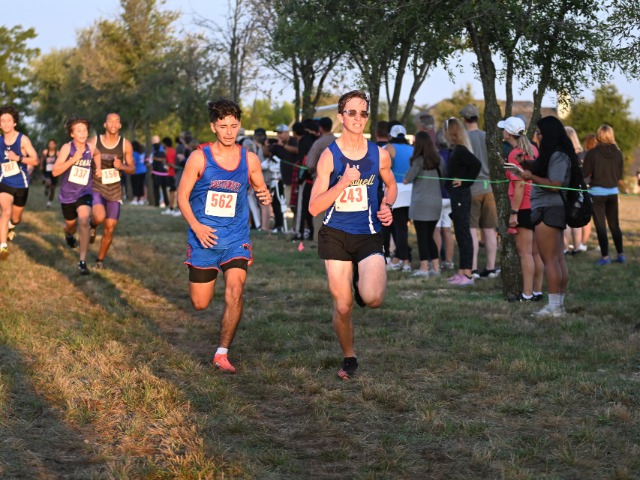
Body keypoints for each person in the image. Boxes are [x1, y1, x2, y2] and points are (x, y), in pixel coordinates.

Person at [177, 99, 272, 374]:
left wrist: (265, 196)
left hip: (235, 237)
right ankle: (210, 278)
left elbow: (260, 189)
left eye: (233, 125)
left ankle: (222, 353)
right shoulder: (199, 158)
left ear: (239, 125)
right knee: (200, 303)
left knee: (235, 290)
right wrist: (196, 226)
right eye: (223, 126)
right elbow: (182, 197)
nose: (229, 132)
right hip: (204, 238)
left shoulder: (249, 159)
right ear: (213, 127)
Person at [309, 90, 396, 381]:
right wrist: (342, 183)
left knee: (373, 298)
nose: (358, 118)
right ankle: (349, 357)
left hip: (368, 233)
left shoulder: (379, 154)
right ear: (341, 117)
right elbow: (314, 207)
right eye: (351, 113)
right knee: (343, 306)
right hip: (335, 233)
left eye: (363, 113)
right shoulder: (329, 156)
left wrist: (387, 205)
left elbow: (391, 185)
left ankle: (360, 278)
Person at [516, 116, 573, 317]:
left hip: (549, 209)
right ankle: (558, 305)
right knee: (556, 259)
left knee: (550, 260)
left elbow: (554, 184)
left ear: (548, 133)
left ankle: (554, 307)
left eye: (538, 133)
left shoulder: (558, 155)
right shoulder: (555, 154)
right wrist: (527, 164)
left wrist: (531, 177)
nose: (536, 137)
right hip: (550, 209)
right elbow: (546, 172)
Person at [499, 116, 544, 302]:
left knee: (525, 253)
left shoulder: (514, 154)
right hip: (538, 204)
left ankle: (526, 294)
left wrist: (514, 213)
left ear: (508, 133)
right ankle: (537, 291)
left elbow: (519, 185)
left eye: (504, 129)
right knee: (536, 253)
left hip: (524, 206)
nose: (502, 132)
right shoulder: (533, 149)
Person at [52, 117, 102, 275]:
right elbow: (55, 171)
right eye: (78, 131)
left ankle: (82, 261)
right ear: (72, 134)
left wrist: (98, 168)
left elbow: (98, 154)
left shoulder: (91, 147)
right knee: (71, 225)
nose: (82, 133)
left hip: (84, 192)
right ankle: (68, 234)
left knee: (84, 220)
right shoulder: (67, 148)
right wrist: (73, 160)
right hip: (67, 194)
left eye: (85, 130)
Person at [90, 113, 135, 269]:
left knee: (110, 228)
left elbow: (132, 168)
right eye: (110, 121)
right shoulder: (94, 141)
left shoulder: (125, 145)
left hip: (114, 191)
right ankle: (93, 224)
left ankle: (100, 260)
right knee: (99, 217)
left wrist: (121, 166)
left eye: (117, 121)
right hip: (96, 186)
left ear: (120, 125)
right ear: (105, 124)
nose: (114, 124)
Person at [460, 104, 499, 279]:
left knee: (472, 230)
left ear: (464, 119)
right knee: (490, 230)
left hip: (472, 188)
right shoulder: (486, 136)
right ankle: (491, 268)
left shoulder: (464, 139)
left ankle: (473, 268)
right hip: (489, 187)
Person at [443, 117, 481, 286]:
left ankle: (468, 273)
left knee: (464, 233)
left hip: (461, 195)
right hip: (456, 195)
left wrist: (465, 181)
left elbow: (476, 165)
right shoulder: (454, 150)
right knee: (459, 233)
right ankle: (461, 271)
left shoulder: (460, 150)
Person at [404, 131, 445, 277]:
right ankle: (436, 267)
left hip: (421, 203)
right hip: (435, 202)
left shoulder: (418, 161)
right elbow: (443, 177)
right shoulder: (439, 160)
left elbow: (406, 179)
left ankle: (424, 268)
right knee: (429, 236)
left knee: (422, 237)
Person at [582, 124, 625, 265]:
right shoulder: (618, 153)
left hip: (597, 194)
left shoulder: (592, 153)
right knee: (614, 225)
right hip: (613, 193)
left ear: (598, 136)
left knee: (601, 226)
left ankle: (605, 257)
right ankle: (621, 255)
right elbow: (619, 175)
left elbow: (584, 173)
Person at [0, 105, 39, 260]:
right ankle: (3, 247)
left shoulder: (22, 139)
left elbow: (35, 160)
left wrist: (18, 158)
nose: (6, 123)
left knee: (16, 218)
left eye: (9, 120)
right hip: (4, 182)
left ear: (14, 122)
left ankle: (11, 227)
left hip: (21, 184)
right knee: (6, 211)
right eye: (2, 120)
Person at [385, 124, 413, 272]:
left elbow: (384, 168)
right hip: (412, 190)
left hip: (397, 191)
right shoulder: (412, 149)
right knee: (402, 227)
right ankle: (398, 257)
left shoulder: (389, 148)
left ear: (391, 136)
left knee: (399, 228)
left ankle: (405, 261)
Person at [563, 126, 587, 255]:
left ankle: (565, 247)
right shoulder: (582, 154)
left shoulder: (564, 153)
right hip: (579, 188)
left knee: (566, 220)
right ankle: (577, 247)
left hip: (566, 188)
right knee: (576, 217)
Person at [434, 128, 455, 270]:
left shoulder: (436, 157)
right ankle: (449, 261)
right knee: (447, 229)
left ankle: (436, 262)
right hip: (450, 196)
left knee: (436, 230)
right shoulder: (454, 155)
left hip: (438, 195)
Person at [161, 137, 180, 216]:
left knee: (172, 191)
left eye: (163, 143)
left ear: (165, 144)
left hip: (172, 174)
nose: (162, 145)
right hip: (172, 173)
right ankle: (171, 208)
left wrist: (165, 163)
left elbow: (172, 164)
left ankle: (172, 208)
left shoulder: (169, 151)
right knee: (172, 191)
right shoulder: (173, 150)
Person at [41, 139, 59, 208]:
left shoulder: (58, 153)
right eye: (50, 144)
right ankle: (47, 187)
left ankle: (49, 202)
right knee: (48, 181)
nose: (51, 145)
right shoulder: (45, 152)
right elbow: (42, 159)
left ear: (55, 145)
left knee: (53, 189)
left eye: (52, 144)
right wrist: (41, 165)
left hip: (54, 172)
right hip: (47, 171)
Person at [130, 140, 147, 205]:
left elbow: (133, 162)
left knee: (135, 185)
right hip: (143, 170)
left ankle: (135, 198)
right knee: (141, 185)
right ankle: (141, 199)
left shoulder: (134, 153)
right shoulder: (142, 152)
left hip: (136, 171)